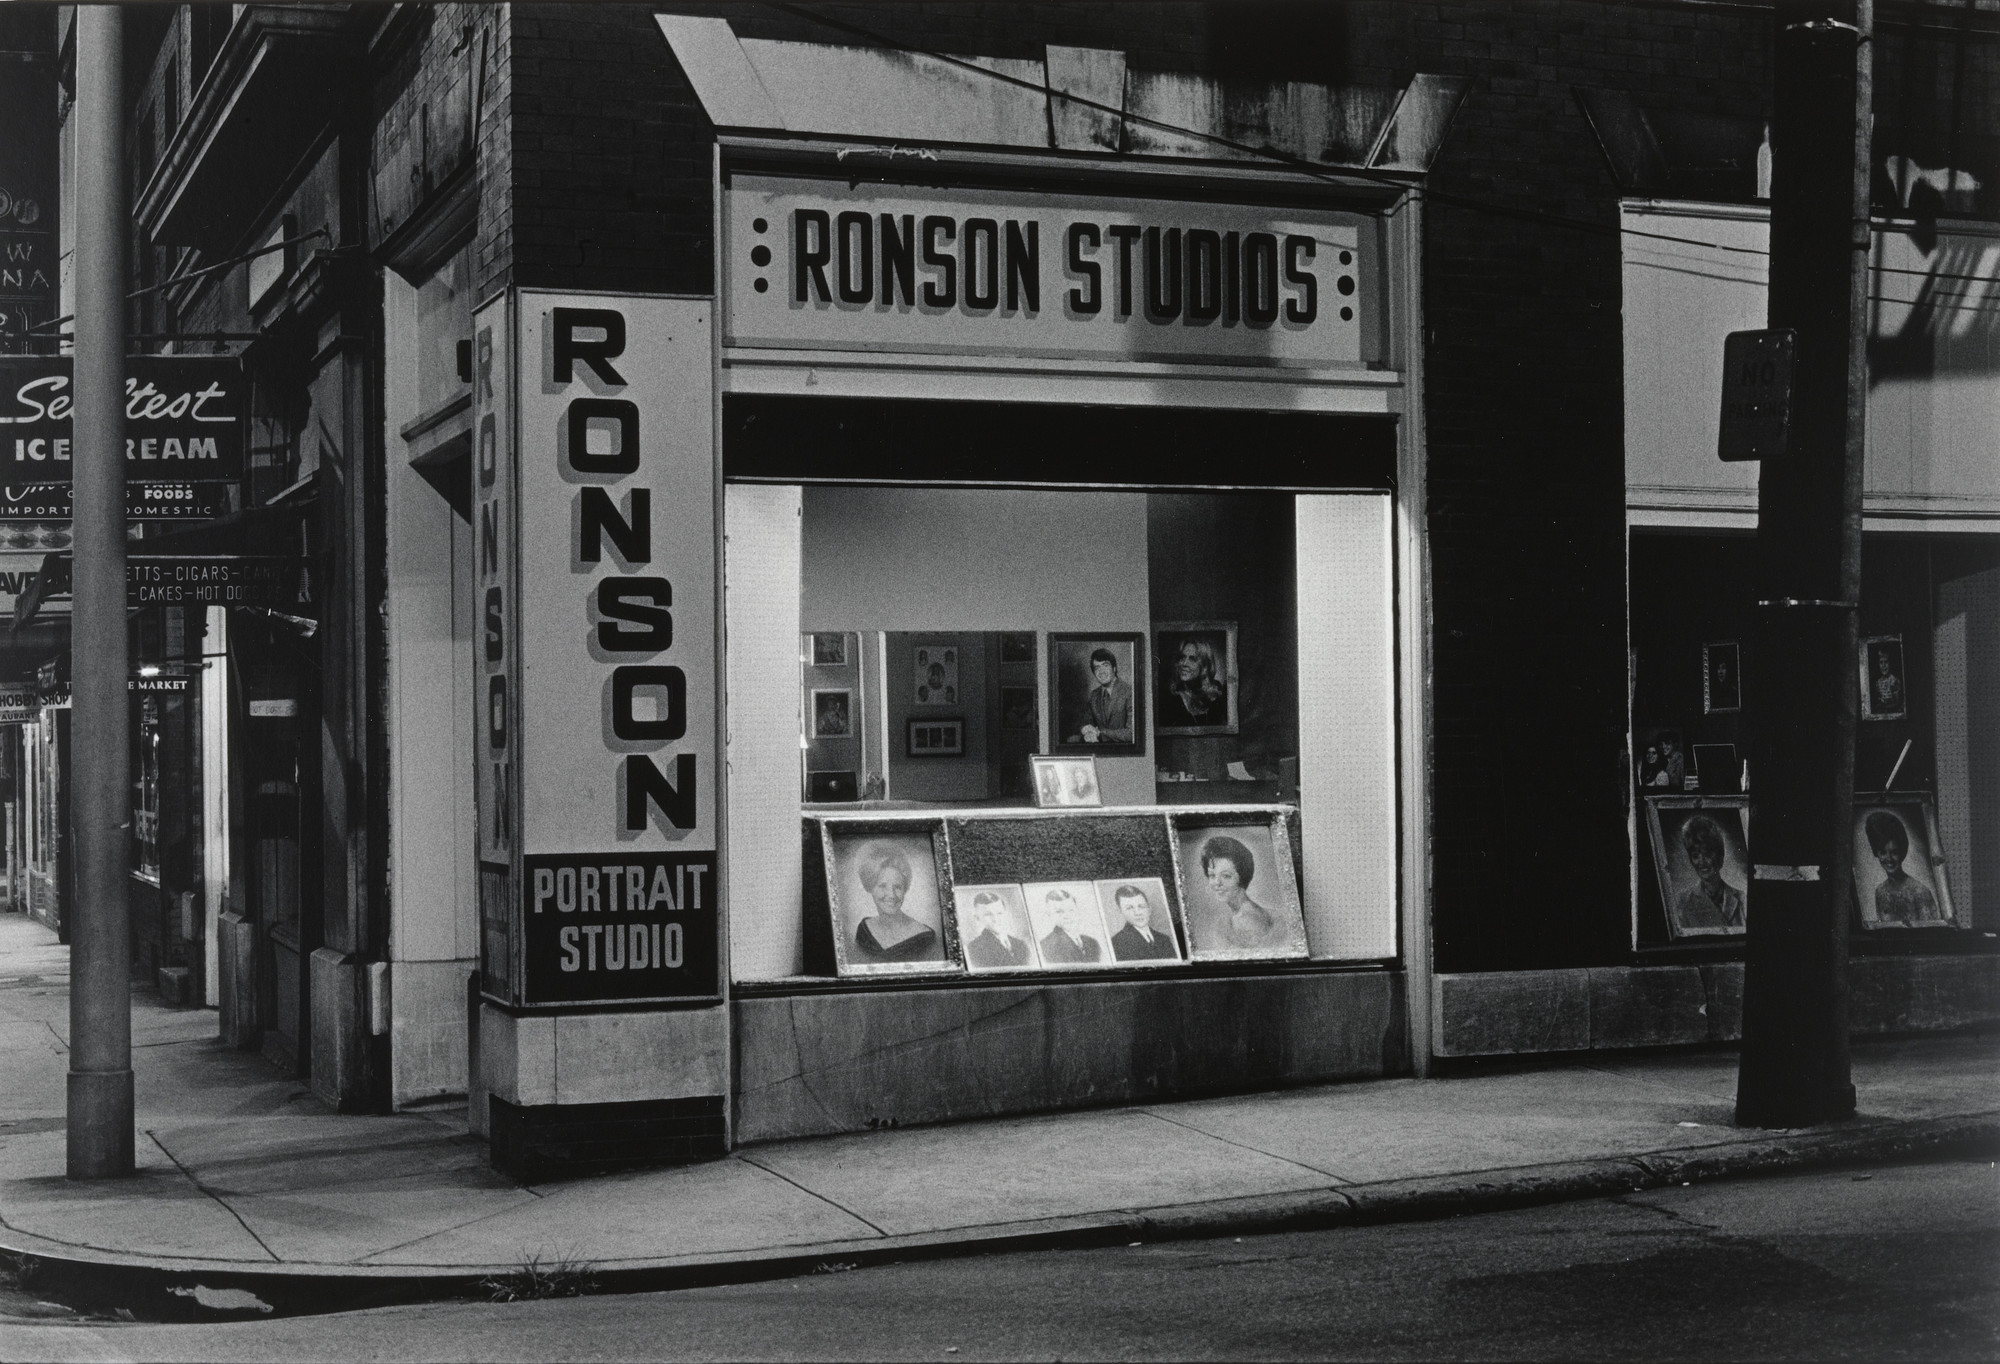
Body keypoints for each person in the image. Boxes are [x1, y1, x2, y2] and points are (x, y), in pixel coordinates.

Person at [850, 843, 940, 962]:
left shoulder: (925, 937)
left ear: (905, 889)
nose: (891, 895)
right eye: (882, 886)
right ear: (870, 887)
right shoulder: (864, 929)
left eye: (897, 887)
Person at [1199, 835, 1280, 949]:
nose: (1217, 882)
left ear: (1242, 877)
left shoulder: (1247, 918)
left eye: (1226, 876)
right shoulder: (1238, 914)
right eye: (1212, 875)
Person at [1864, 810, 1939, 924]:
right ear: (1876, 852)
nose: (1888, 858)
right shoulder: (1880, 892)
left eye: (1894, 852)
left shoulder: (1920, 892)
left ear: (1902, 851)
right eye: (1883, 852)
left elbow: (1930, 935)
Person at [1672, 814, 1744, 931]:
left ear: (1720, 855)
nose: (1701, 862)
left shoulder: (1742, 898)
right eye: (1695, 855)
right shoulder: (1682, 904)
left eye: (1707, 854)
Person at [1068, 648, 1133, 745]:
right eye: (1097, 668)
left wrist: (1100, 734)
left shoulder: (1129, 692)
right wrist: (1086, 730)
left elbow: (1132, 733)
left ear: (1114, 668)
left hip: (1126, 752)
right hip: (1099, 750)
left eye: (1105, 665)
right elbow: (1084, 721)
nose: (1101, 671)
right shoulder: (1094, 695)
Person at [1160, 637, 1228, 728]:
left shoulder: (1218, 694)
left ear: (1205, 665)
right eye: (1182, 657)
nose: (1184, 663)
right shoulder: (1169, 698)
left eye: (1192, 659)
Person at [962, 890, 1034, 968]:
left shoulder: (1021, 944)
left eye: (999, 913)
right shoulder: (974, 949)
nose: (995, 919)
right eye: (988, 914)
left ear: (1006, 913)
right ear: (978, 918)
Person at [1107, 884, 1178, 961]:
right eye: (1129, 908)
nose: (1137, 913)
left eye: (1141, 906)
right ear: (1120, 912)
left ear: (1149, 909)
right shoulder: (1116, 943)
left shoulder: (1164, 939)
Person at [1036, 888, 1103, 964]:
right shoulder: (1046, 946)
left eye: (1071, 910)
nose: (1067, 916)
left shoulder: (1092, 942)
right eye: (1059, 912)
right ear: (1049, 915)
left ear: (1077, 910)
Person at [1872, 649, 1903, 713]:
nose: (1883, 666)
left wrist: (1885, 707)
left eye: (1886, 662)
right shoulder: (1878, 682)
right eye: (1881, 662)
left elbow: (1897, 703)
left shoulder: (1894, 681)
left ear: (1890, 663)